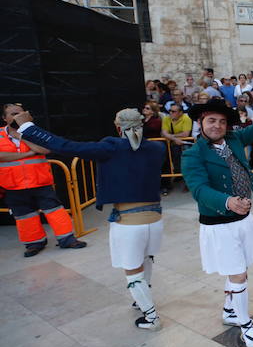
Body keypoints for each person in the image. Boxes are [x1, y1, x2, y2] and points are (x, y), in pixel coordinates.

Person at [16, 107, 166, 329]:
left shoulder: (111, 147)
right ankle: (141, 299)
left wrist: (27, 127)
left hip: (128, 221)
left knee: (132, 269)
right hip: (155, 219)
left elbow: (65, 146)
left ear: (117, 127)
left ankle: (151, 317)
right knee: (146, 259)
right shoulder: (157, 148)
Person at [181, 92, 253, 347]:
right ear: (201, 122)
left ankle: (229, 310)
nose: (217, 126)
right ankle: (245, 325)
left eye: (222, 122)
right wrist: (227, 202)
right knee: (238, 274)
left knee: (240, 268)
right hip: (219, 222)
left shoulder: (234, 138)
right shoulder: (192, 155)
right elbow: (199, 189)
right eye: (211, 120)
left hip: (243, 218)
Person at [1, 104, 86, 257]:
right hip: (13, 185)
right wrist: (29, 153)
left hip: (40, 182)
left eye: (21, 113)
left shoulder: (32, 131)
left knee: (55, 211)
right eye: (14, 114)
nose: (18, 116)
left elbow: (45, 150)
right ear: (4, 118)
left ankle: (67, 239)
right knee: (25, 216)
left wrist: (21, 136)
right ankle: (34, 244)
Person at [161, 103, 193, 195]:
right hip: (172, 143)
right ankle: (176, 176)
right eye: (170, 111)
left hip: (185, 143)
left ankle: (188, 182)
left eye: (173, 111)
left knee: (187, 159)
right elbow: (164, 133)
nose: (171, 113)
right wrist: (174, 138)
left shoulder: (186, 118)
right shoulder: (166, 118)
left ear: (180, 113)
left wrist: (171, 136)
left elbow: (186, 134)